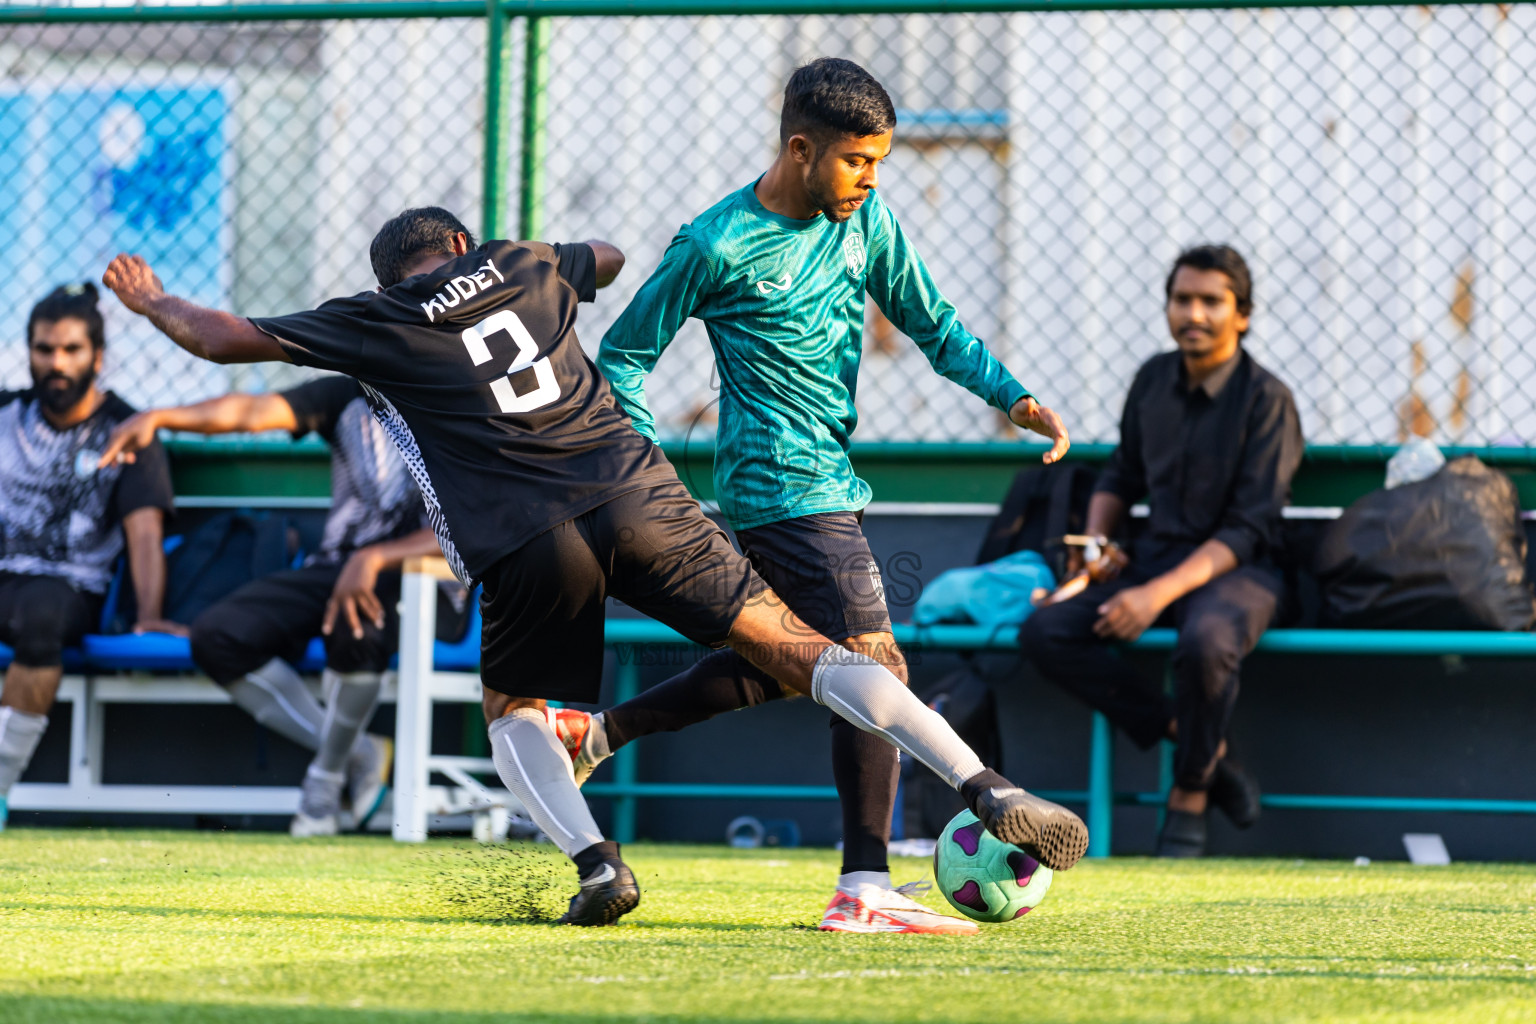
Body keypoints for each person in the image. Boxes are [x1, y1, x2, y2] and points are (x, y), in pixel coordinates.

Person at [101, 207, 1087, 927]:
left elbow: (221, 340)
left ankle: (597, 864)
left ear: (396, 272)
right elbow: (609, 255)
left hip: (525, 537)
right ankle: (984, 781)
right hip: (636, 491)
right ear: (459, 246)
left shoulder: (377, 319)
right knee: (801, 645)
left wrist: (153, 303)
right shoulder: (525, 264)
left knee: (513, 712)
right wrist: (548, 265)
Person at [579, 57, 1069, 935]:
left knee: (792, 663)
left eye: (879, 162)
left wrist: (1012, 396)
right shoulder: (715, 243)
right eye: (858, 161)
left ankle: (599, 735)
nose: (872, 179)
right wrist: (646, 471)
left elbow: (931, 321)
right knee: (874, 664)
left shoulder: (866, 219)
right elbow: (622, 355)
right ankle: (865, 885)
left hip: (831, 482)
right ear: (801, 148)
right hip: (780, 487)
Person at [1018, 245, 1303, 857]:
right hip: (1155, 558)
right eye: (1182, 299)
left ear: (1242, 315)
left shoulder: (1267, 400)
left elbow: (1250, 528)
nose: (1193, 313)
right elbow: (1120, 476)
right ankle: (1200, 742)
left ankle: (1190, 793)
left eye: (1211, 302)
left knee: (1206, 643)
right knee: (1047, 630)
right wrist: (1097, 544)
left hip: (1241, 570)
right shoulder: (1152, 379)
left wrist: (1155, 594)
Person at [100, 375, 451, 836]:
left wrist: (376, 556)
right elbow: (250, 410)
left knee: (355, 626)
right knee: (218, 636)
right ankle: (360, 753)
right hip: (335, 567)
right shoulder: (349, 392)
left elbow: (479, 522)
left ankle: (322, 786)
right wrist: (160, 416)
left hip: (428, 577)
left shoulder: (466, 395)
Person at [0, 283, 176, 829]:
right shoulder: (6, 416)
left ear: (97, 357)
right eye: (44, 349)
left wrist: (148, 617)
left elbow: (144, 534)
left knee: (43, 616)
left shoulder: (127, 430)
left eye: (71, 350)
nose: (56, 362)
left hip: (69, 587)